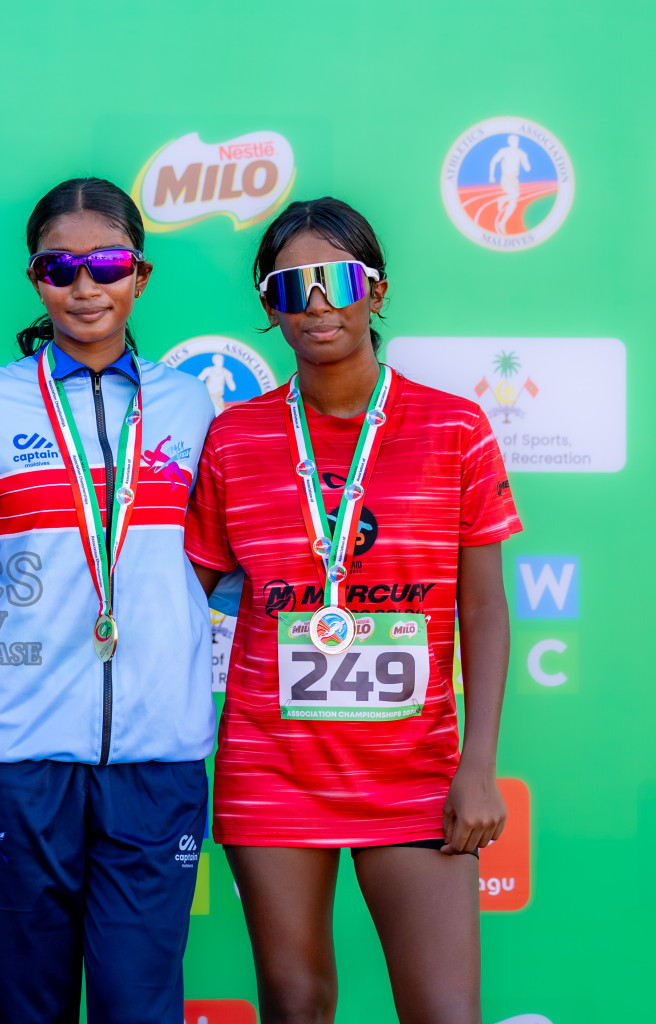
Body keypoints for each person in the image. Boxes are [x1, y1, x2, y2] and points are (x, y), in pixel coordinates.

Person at [185, 197, 520, 1024]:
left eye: (336, 280)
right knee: (295, 1005)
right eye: (290, 286)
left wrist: (478, 763)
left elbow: (483, 607)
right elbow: (184, 597)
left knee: (445, 1011)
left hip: (416, 768)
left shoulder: (455, 427)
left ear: (376, 289)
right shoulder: (234, 438)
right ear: (269, 308)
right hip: (273, 763)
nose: (317, 303)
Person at [0, 177, 217, 1024]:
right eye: (61, 268)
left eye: (108, 264)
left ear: (141, 276)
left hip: (159, 753)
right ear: (35, 278)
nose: (85, 285)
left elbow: (207, 565)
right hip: (16, 756)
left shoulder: (192, 405)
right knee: (22, 1007)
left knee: (140, 1006)